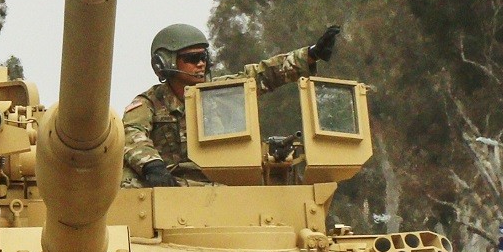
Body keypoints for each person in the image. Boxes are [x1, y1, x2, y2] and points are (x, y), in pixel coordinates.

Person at [119, 22, 339, 187]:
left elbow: (261, 76)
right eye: (192, 58)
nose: (201, 63)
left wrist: (310, 55)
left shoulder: (216, 92)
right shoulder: (147, 104)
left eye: (204, 56)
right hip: (169, 186)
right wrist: (151, 165)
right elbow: (130, 134)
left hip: (218, 185)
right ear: (165, 63)